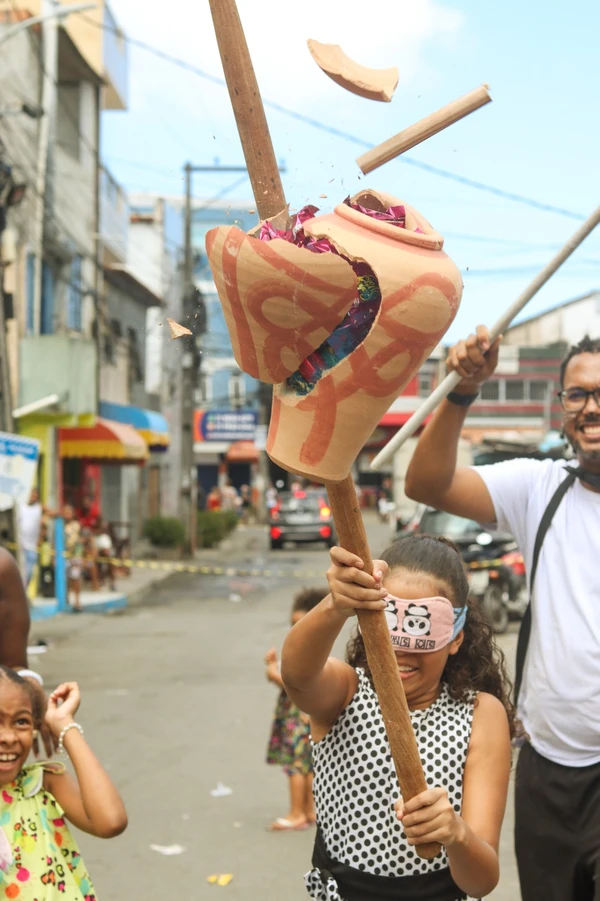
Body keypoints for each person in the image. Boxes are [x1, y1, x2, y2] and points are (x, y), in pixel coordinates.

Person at [404, 329, 600, 901]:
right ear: (561, 406)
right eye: (577, 394)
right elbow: (426, 483)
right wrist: (462, 390)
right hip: (545, 768)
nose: (591, 408)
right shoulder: (542, 487)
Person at [281, 534, 512, 901]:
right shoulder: (346, 692)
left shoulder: (481, 714)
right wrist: (335, 605)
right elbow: (297, 675)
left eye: (422, 625)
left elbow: (481, 881)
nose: (402, 646)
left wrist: (456, 833)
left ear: (455, 638)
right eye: (390, 619)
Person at [0, 667, 127, 898]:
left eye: (21, 722)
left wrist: (64, 726)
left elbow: (111, 821)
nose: (8, 737)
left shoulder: (41, 784)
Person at [265, 588, 325, 832]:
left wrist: (271, 671)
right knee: (307, 766)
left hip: (298, 716)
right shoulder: (313, 648)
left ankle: (296, 813)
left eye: (301, 624)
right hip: (303, 715)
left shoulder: (308, 650)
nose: (295, 630)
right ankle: (310, 811)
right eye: (292, 624)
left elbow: (296, 682)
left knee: (295, 767)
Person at [94, 520, 116, 590]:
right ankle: (100, 582)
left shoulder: (105, 537)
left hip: (105, 557)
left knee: (110, 566)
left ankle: (112, 583)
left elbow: (107, 550)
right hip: (97, 557)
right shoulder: (95, 537)